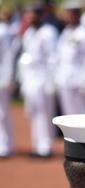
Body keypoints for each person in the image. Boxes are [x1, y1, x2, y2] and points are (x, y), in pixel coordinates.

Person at [17, 2, 59, 158]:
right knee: (33, 113)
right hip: (30, 79)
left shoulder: (48, 32)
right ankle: (38, 145)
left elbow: (53, 59)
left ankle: (46, 147)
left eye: (33, 14)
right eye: (28, 14)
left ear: (41, 15)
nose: (30, 17)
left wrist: (51, 82)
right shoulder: (29, 33)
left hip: (43, 79)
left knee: (44, 114)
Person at [55, 0, 85, 115]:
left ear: (76, 14)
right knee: (69, 115)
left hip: (79, 81)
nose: (65, 17)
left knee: (82, 116)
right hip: (66, 80)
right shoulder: (66, 32)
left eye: (68, 13)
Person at [0, 6, 20, 158]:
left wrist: (7, 76)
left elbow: (8, 56)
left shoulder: (4, 31)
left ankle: (5, 145)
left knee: (2, 112)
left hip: (2, 76)